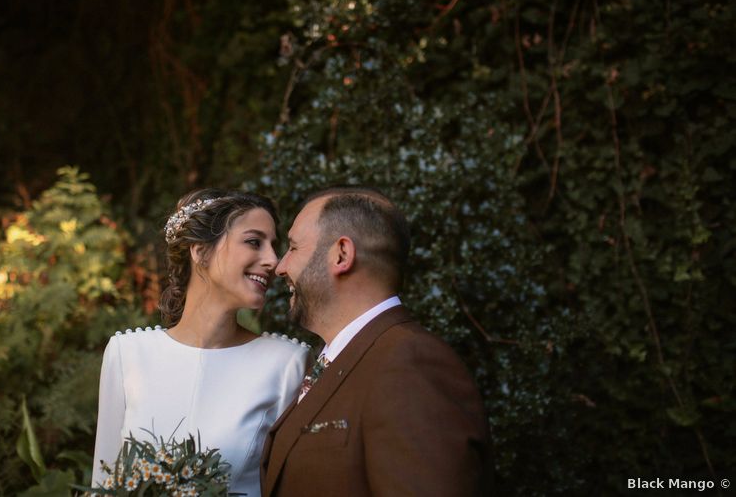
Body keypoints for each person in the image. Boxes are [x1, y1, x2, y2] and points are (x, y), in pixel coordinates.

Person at [260, 187, 493, 496]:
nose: (280, 267)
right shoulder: (337, 359)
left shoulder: (410, 364)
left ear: (341, 254)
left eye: (293, 248)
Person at [91, 189, 308, 496]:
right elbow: (104, 484)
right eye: (253, 242)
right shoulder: (127, 355)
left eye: (274, 246)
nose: (273, 260)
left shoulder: (287, 363)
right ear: (199, 250)